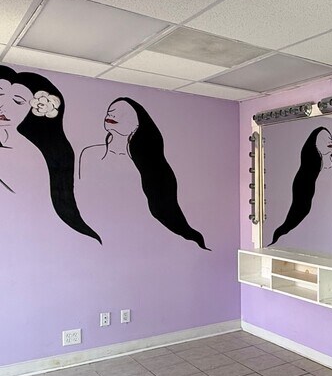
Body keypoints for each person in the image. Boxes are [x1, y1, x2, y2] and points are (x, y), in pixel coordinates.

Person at [79, 97, 208, 250]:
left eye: (123, 114)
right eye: (110, 111)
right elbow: (82, 194)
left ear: (137, 125)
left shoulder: (147, 166)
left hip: (137, 238)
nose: (112, 115)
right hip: (97, 233)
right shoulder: (89, 154)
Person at [0, 64, 101, 242]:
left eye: (18, 101)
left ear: (33, 110)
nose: (3, 106)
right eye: (0, 95)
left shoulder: (26, 152)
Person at [271, 126, 332, 245]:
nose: (329, 141)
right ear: (315, 146)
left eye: (330, 138)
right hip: (314, 229)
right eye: (323, 139)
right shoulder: (307, 175)